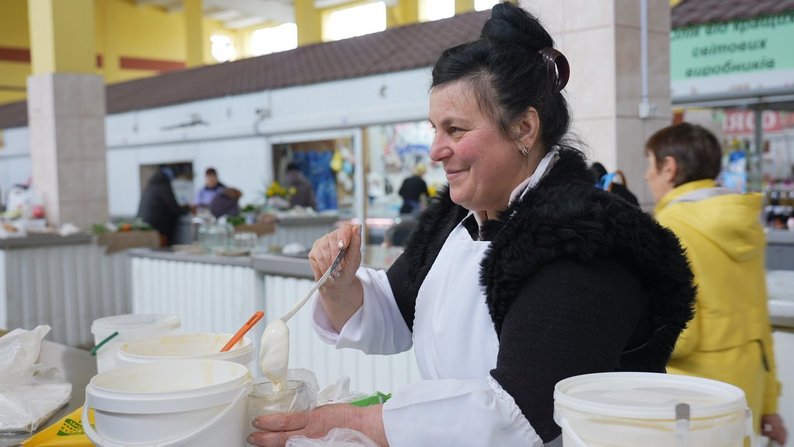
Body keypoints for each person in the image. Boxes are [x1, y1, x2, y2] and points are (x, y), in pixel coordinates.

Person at [248, 4, 695, 446]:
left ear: (524, 128)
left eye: (456, 130)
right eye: (435, 129)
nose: (435, 151)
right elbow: (397, 309)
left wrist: (360, 423)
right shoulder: (458, 218)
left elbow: (520, 415)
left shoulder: (583, 240)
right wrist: (339, 285)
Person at [644, 122, 788, 445]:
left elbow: (680, 336)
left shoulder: (670, 226)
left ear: (669, 168)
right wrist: (769, 405)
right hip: (747, 387)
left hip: (693, 396)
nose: (646, 175)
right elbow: (759, 320)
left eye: (650, 163)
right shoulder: (744, 223)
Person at [137, 171, 190, 246]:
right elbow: (175, 208)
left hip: (143, 228)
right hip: (157, 232)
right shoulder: (163, 187)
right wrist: (188, 208)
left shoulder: (149, 188)